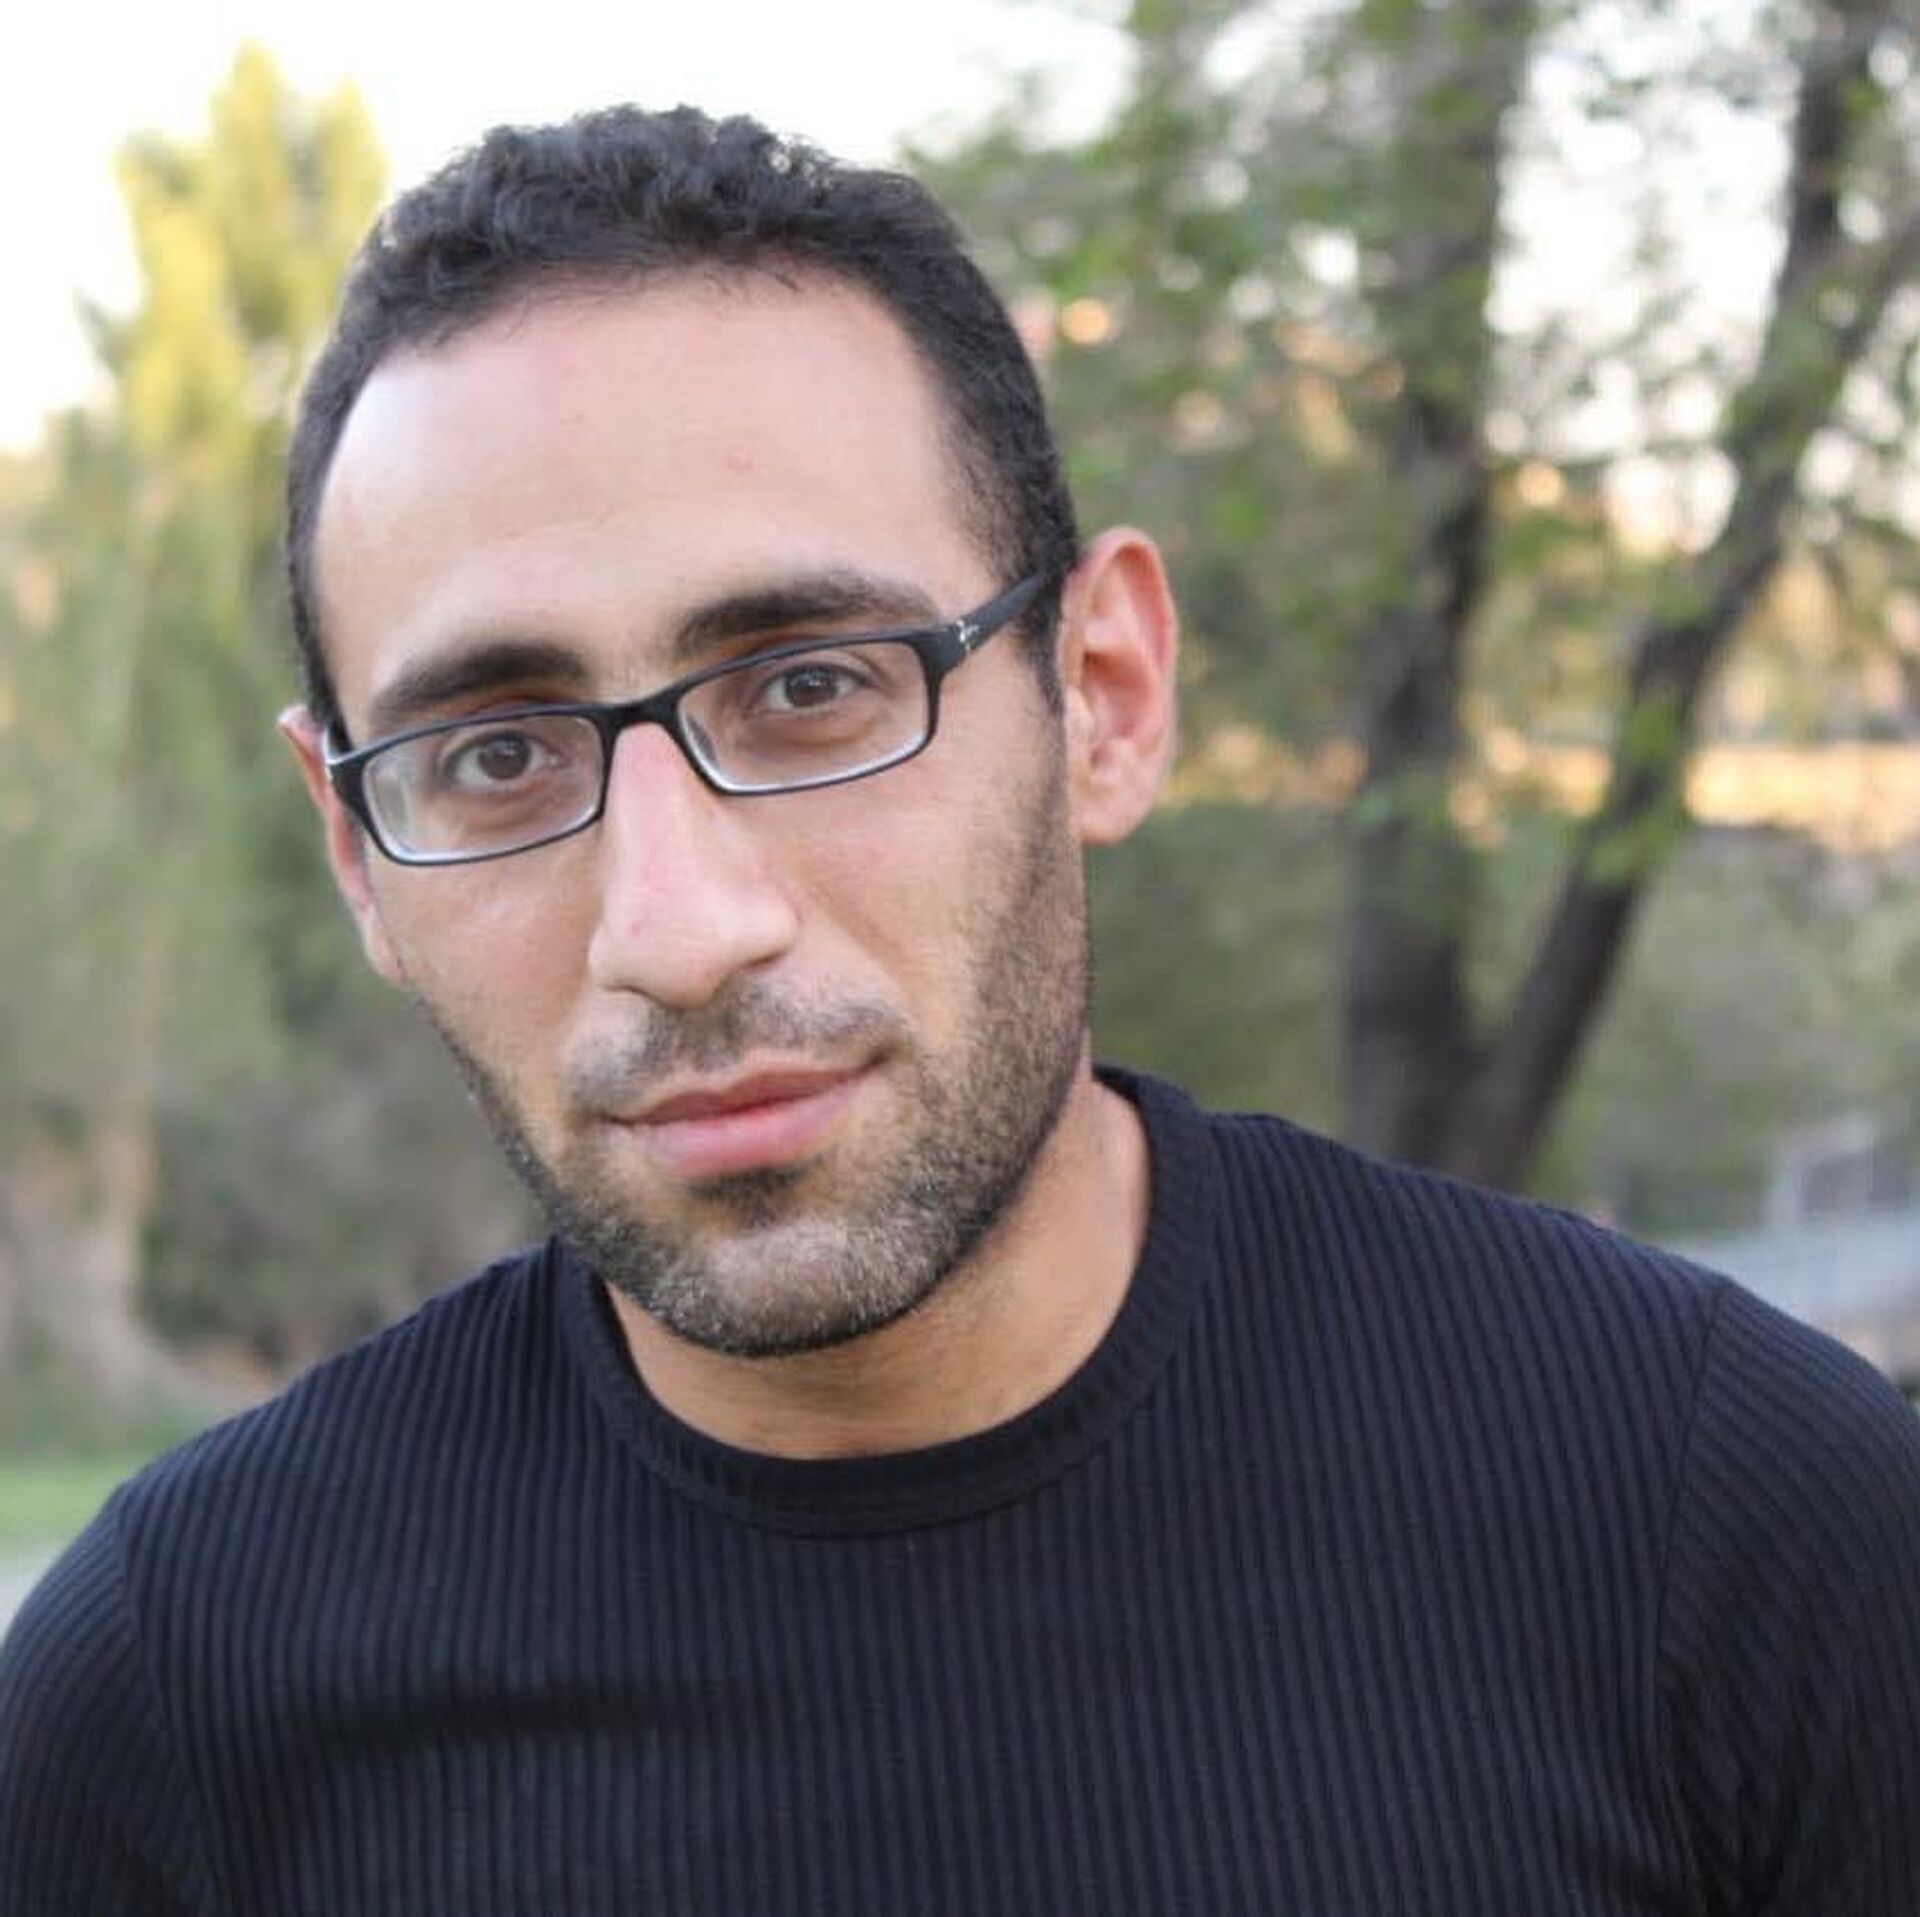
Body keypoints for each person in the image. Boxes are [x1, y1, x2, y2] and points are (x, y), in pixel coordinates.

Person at [3, 105, 1917, 1917]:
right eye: (496, 753)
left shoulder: (1730, 1532)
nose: (677, 931)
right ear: (355, 850)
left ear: (1103, 694)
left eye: (813, 687)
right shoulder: (168, 1710)